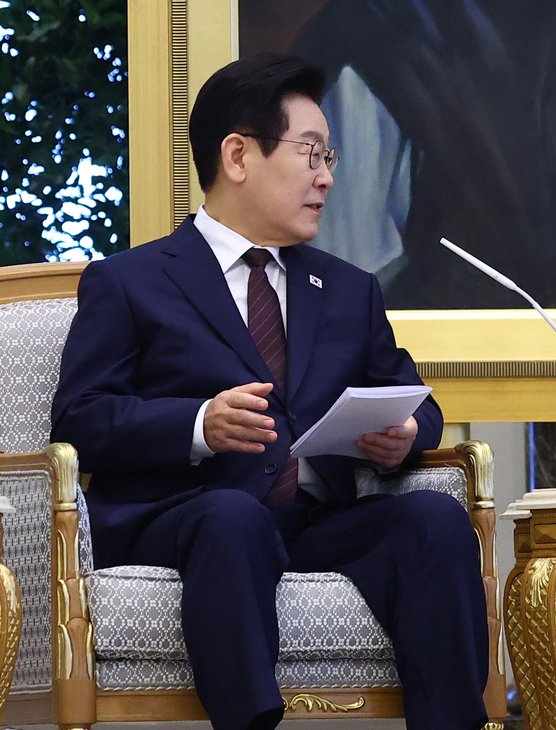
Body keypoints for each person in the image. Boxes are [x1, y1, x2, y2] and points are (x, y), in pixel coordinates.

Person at [50, 54, 490, 730]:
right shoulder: (130, 281)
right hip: (187, 523)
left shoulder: (348, 289)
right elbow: (80, 419)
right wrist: (198, 423)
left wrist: (404, 435)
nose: (327, 177)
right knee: (232, 517)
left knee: (431, 521)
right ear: (237, 155)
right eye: (311, 153)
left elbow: (416, 403)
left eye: (330, 156)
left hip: (314, 525)